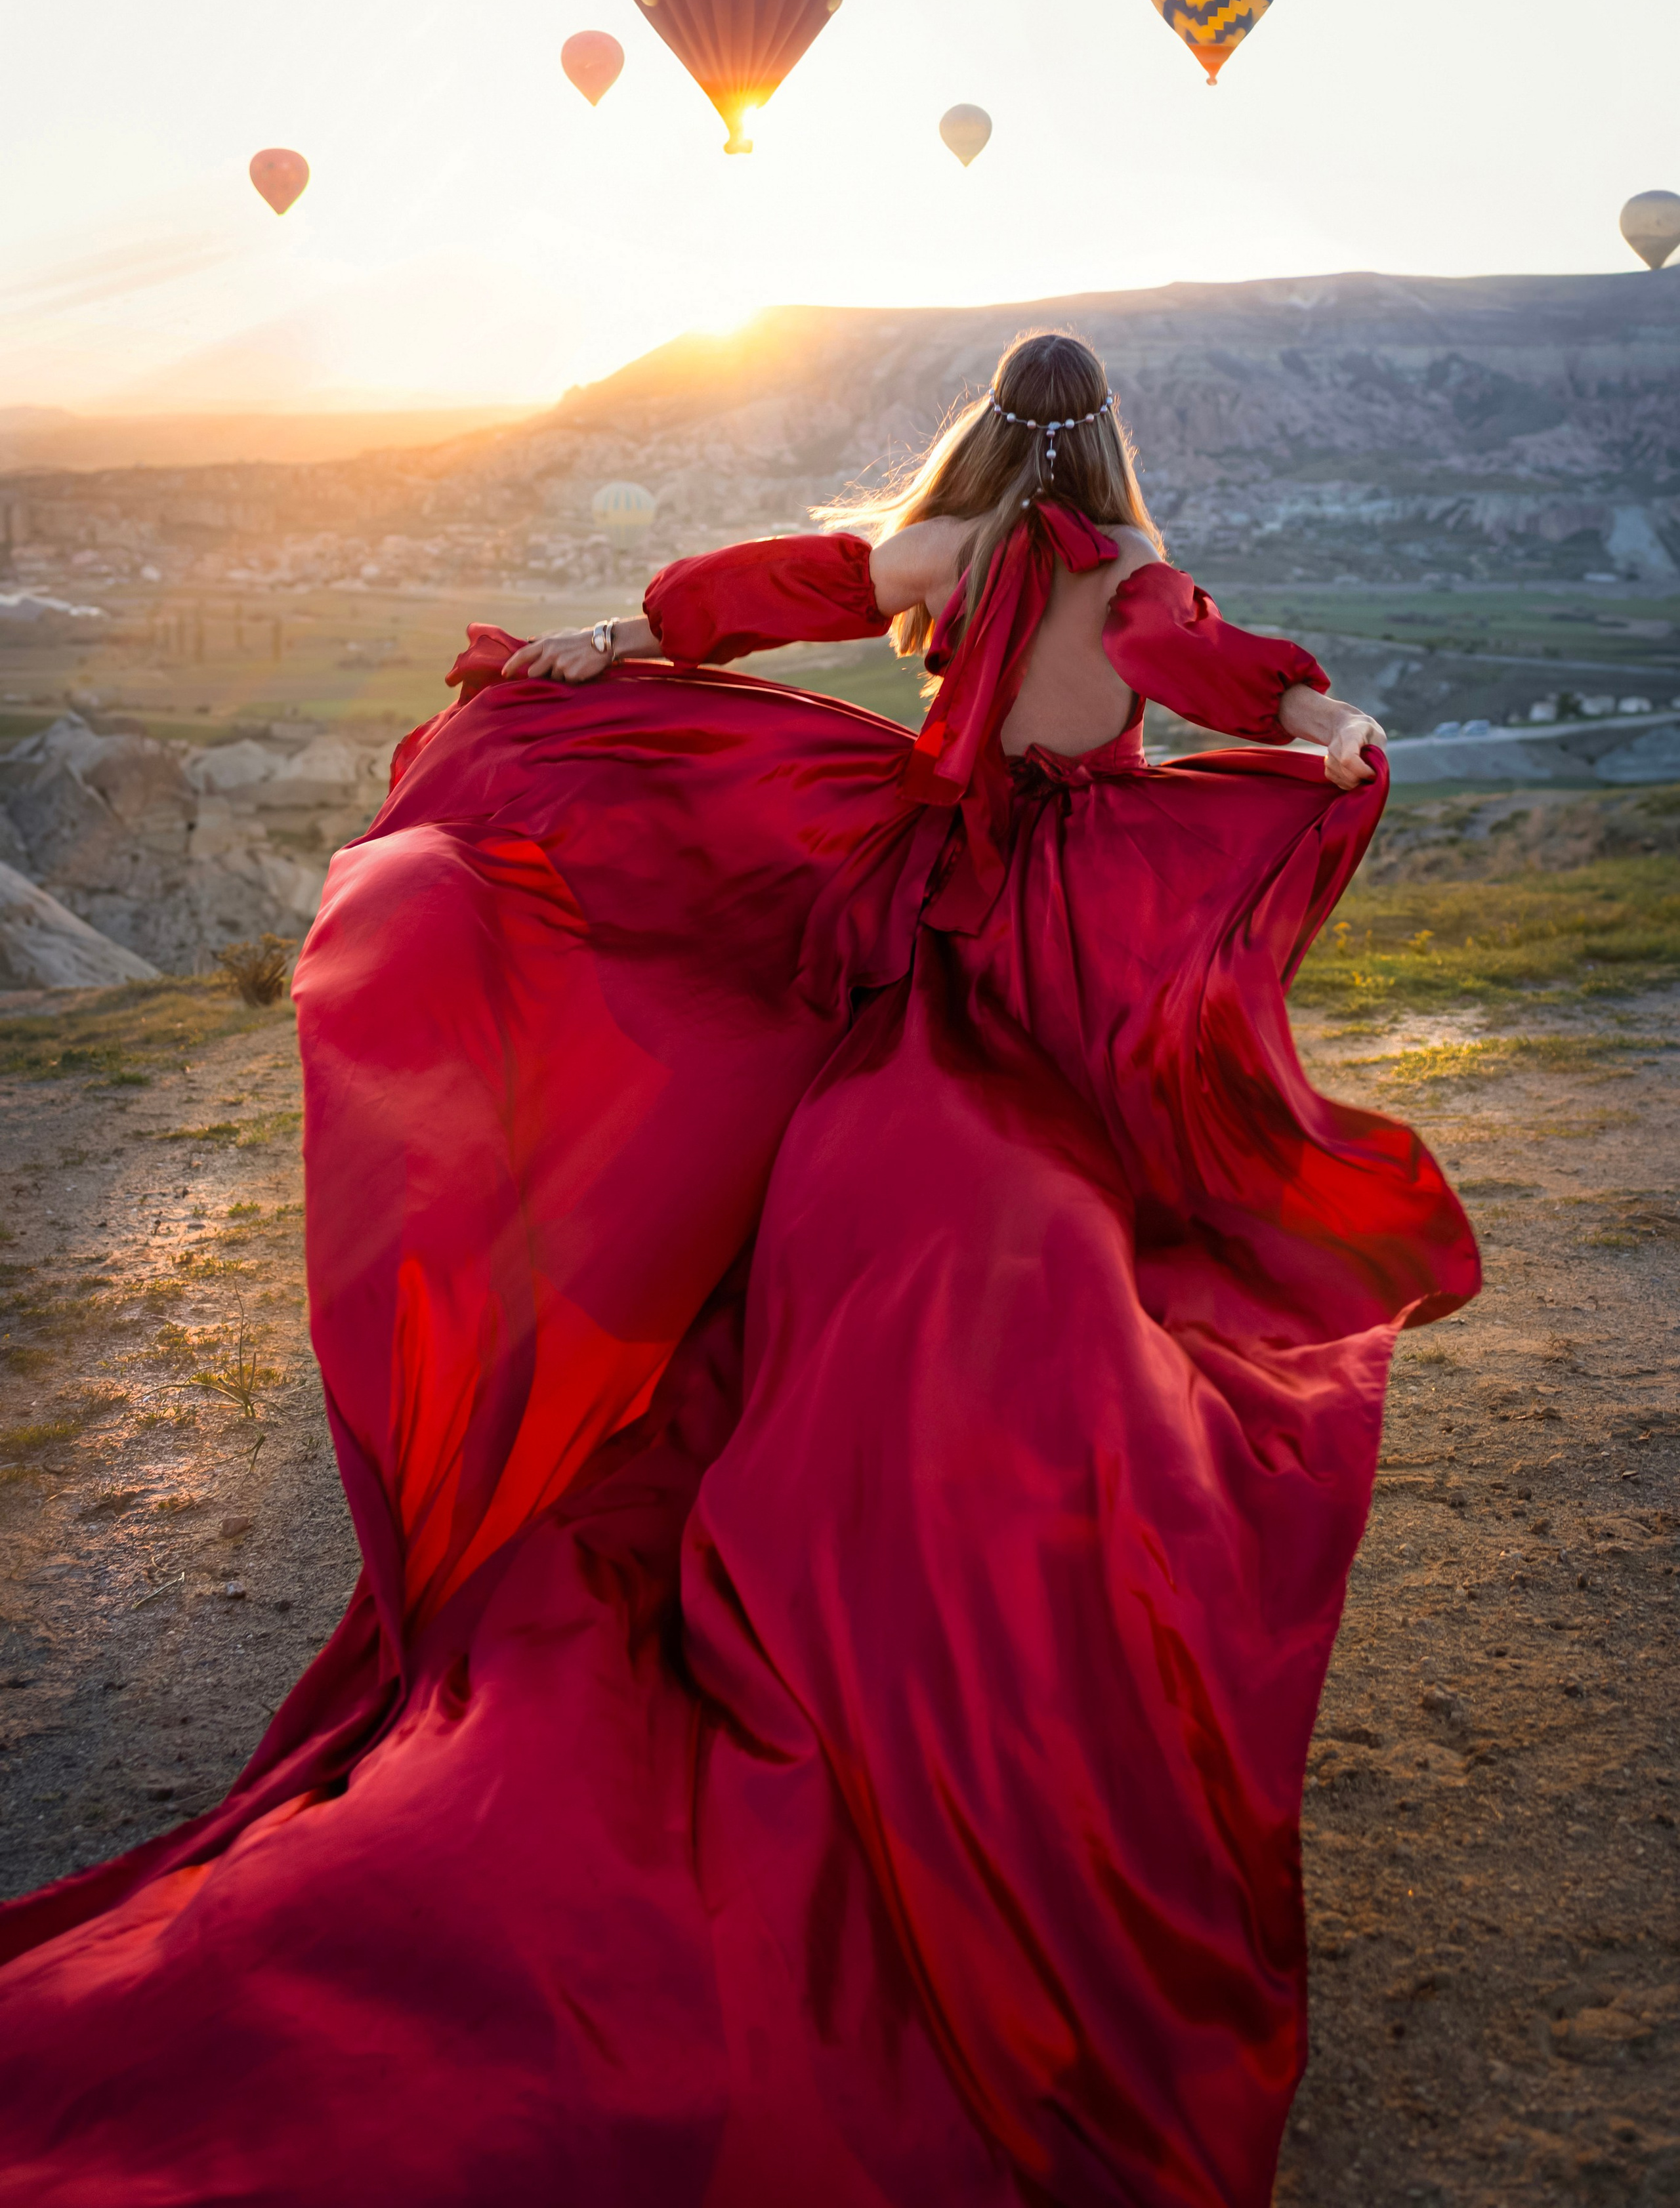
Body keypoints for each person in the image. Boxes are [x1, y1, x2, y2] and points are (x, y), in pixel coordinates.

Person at [0, 333, 1477, 2208]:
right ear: (1109, 448)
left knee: (778, 1243)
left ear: (981, 438)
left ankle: (772, 1589)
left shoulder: (930, 551)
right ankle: (962, 1648)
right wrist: (1329, 729)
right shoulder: (1130, 578)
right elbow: (1217, 679)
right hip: (1041, 982)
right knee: (1124, 1243)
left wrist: (601, 652)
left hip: (907, 960)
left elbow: (748, 600)